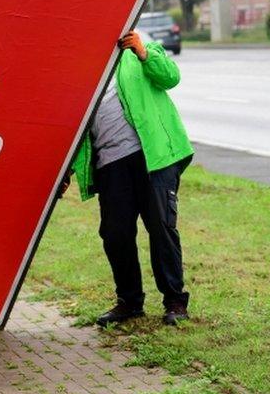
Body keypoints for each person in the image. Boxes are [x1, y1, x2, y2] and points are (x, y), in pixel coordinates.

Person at [66, 31, 193, 326]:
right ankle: (129, 302)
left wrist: (143, 53)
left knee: (161, 227)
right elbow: (71, 128)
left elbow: (170, 77)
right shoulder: (80, 70)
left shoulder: (135, 49)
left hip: (152, 158)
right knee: (115, 233)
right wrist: (68, 170)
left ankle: (174, 300)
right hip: (110, 164)